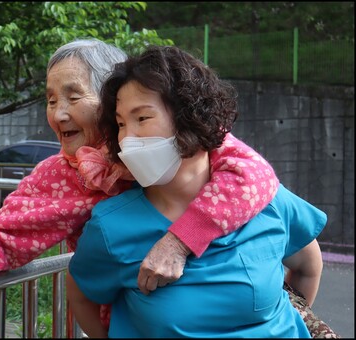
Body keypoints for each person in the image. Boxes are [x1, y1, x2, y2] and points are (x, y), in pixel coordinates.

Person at [0, 38, 278, 320]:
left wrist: (179, 242)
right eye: (50, 99)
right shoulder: (59, 175)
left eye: (74, 96)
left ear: (116, 97)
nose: (58, 113)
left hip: (235, 307)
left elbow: (255, 174)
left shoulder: (173, 136)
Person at [67, 45, 328, 338]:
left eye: (142, 118)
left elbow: (308, 266)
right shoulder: (111, 225)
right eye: (120, 124)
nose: (128, 138)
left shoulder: (263, 198)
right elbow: (81, 296)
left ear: (188, 115)